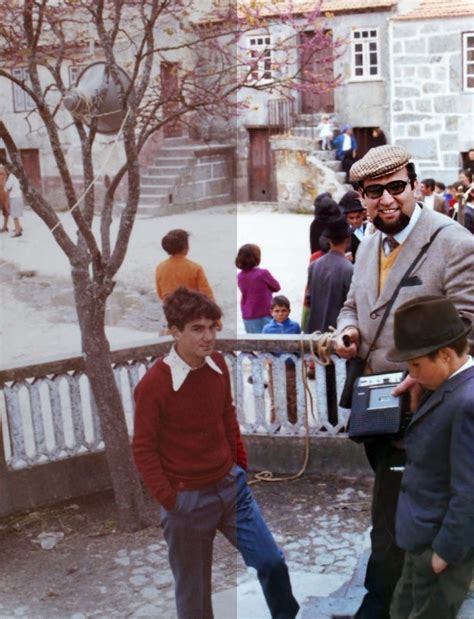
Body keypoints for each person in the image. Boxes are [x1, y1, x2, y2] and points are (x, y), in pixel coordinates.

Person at [332, 144, 474, 619]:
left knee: (408, 515)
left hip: (426, 408)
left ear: (415, 185)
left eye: (397, 187)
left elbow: (467, 325)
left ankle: (390, 603)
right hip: (376, 409)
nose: (388, 199)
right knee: (393, 513)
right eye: (376, 191)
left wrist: (424, 379)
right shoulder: (367, 242)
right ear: (362, 197)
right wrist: (346, 332)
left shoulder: (453, 241)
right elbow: (354, 303)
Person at [132, 287, 299, 619]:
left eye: (212, 326)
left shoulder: (218, 364)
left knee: (271, 561)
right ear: (175, 331)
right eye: (197, 328)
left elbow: (227, 417)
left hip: (231, 488)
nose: (208, 336)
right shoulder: (153, 385)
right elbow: (143, 449)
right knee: (194, 597)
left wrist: (239, 466)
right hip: (187, 501)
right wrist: (170, 499)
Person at [386, 296, 474, 619]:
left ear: (447, 355)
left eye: (416, 366)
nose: (411, 374)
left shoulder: (467, 403)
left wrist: (444, 553)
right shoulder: (448, 386)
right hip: (420, 539)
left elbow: (469, 493)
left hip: (439, 549)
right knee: (401, 610)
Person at [305, 217, 354, 426]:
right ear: (348, 240)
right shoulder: (349, 269)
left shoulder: (315, 266)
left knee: (324, 382)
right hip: (337, 333)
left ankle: (326, 421)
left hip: (317, 332)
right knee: (339, 383)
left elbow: (310, 299)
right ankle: (338, 423)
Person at [263, 295, 301, 425]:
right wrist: (267, 358)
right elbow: (264, 348)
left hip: (291, 368)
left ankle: (293, 423)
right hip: (274, 368)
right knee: (275, 396)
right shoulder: (267, 329)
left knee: (292, 396)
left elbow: (299, 347)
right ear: (271, 312)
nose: (280, 314)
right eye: (277, 311)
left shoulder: (295, 326)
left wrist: (301, 360)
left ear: (289, 311)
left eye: (284, 310)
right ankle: (275, 424)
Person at [155, 229, 214, 301]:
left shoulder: (160, 267)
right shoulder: (195, 268)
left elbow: (160, 294)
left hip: (170, 309)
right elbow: (208, 295)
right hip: (192, 309)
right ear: (186, 247)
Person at [236, 243, 280, 333]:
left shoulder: (240, 276)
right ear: (257, 258)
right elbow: (277, 287)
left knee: (254, 344)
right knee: (269, 342)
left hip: (247, 315)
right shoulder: (262, 273)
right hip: (265, 313)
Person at [338, 190, 367, 262]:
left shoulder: (371, 229)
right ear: (346, 218)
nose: (355, 221)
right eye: (351, 218)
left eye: (358, 217)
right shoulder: (343, 234)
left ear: (363, 215)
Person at [2, 166, 23, 237]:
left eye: (4, 170)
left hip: (14, 197)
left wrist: (4, 180)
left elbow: (6, 188)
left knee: (15, 215)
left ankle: (18, 231)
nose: (4, 172)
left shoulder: (11, 177)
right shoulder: (14, 176)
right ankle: (19, 228)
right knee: (15, 214)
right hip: (17, 196)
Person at [0, 165, 9, 232]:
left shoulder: (3, 169)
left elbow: (4, 183)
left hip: (4, 193)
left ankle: (5, 226)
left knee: (5, 210)